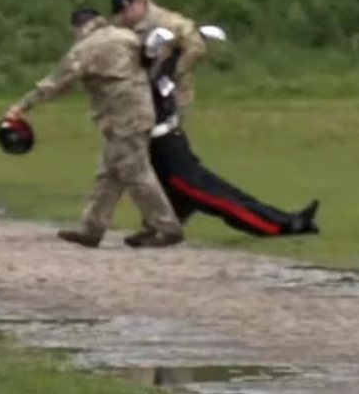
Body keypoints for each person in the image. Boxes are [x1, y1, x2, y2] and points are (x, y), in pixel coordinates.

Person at [3, 8, 183, 248]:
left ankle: (166, 227)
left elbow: (55, 83)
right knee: (109, 173)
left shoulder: (85, 48)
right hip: (138, 110)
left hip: (122, 118)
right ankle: (92, 229)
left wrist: (21, 106)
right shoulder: (125, 36)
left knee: (136, 172)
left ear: (78, 27)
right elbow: (150, 59)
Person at [126, 37, 320, 243]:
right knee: (220, 200)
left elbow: (168, 68)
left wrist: (180, 48)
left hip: (173, 143)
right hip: (165, 151)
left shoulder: (155, 76)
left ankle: (288, 219)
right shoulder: (136, 83)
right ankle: (283, 226)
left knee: (226, 193)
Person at [111, 0, 206, 112]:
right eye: (120, 13)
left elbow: (196, 45)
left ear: (137, 3)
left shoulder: (168, 22)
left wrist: (175, 70)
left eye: (125, 11)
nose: (122, 17)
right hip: (138, 99)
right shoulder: (121, 27)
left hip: (171, 96)